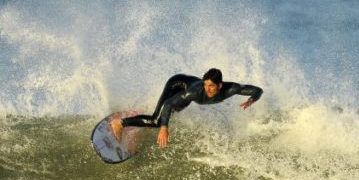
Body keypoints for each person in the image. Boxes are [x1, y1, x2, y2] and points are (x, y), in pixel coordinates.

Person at [110, 68, 263, 148]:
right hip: (177, 84)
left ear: (220, 85)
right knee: (158, 121)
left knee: (172, 113)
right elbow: (169, 103)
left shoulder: (231, 89)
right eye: (206, 85)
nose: (208, 89)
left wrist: (251, 99)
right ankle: (120, 123)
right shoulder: (196, 92)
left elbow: (257, 90)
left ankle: (144, 116)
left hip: (187, 87)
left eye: (211, 86)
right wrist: (164, 128)